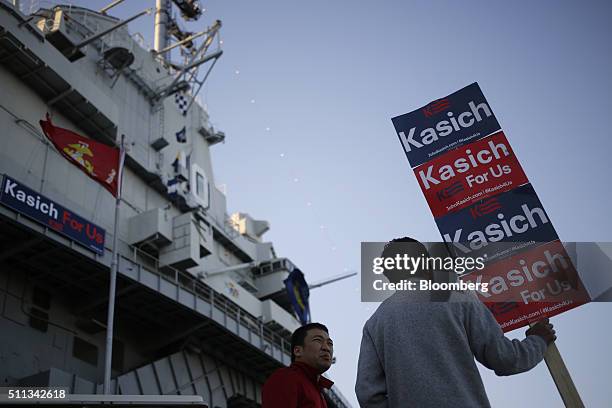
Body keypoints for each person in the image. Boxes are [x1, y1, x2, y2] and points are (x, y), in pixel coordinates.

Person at [355, 237, 556, 408]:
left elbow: (368, 394)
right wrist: (538, 340)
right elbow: (504, 359)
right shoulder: (457, 298)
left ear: (390, 276)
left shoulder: (375, 323)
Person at [262, 322, 335, 408]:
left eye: (330, 343)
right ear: (297, 351)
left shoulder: (317, 390)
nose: (326, 348)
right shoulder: (285, 378)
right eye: (318, 340)